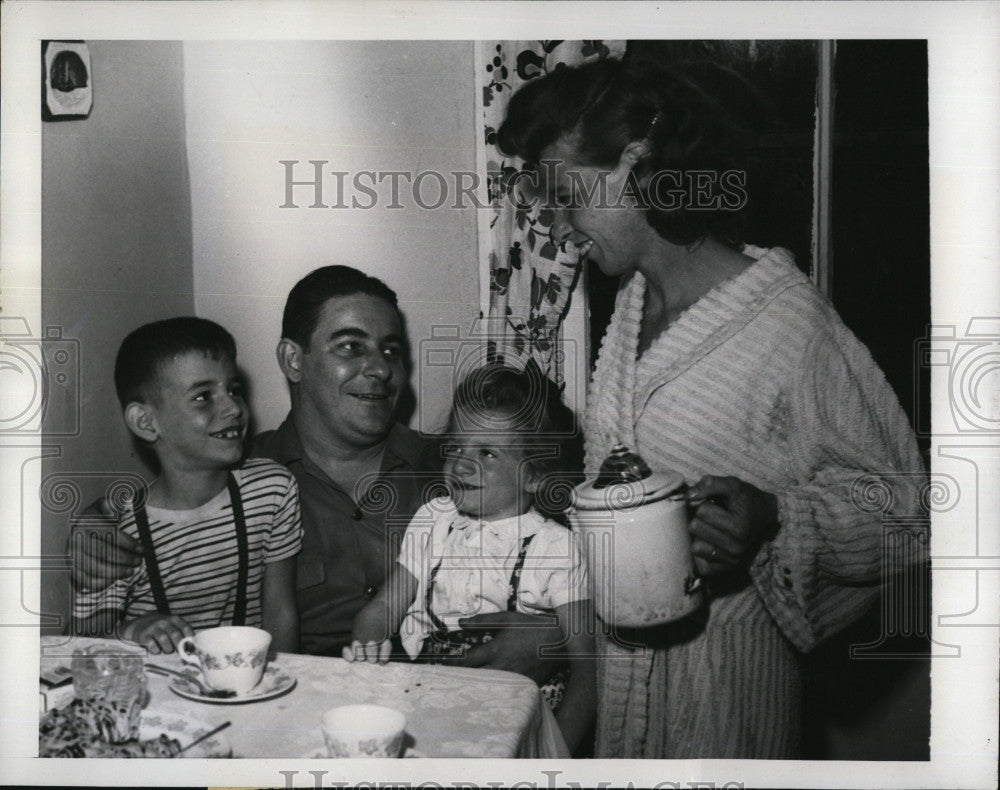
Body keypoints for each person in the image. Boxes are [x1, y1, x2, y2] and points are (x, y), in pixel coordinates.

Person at [496, 57, 927, 758]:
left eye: (565, 194)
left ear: (634, 162)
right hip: (623, 695)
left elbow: (903, 511)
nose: (558, 224)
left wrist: (776, 517)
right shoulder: (631, 310)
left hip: (730, 699)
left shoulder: (789, 325)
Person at [69, 267, 565, 679]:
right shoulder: (246, 481)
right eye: (351, 347)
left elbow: (578, 561)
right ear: (293, 360)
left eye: (391, 351)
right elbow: (163, 505)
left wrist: (556, 635)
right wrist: (92, 526)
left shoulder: (458, 468)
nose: (381, 370)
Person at [343, 363, 594, 754]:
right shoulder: (434, 518)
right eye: (457, 446)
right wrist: (370, 647)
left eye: (487, 452)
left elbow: (588, 671)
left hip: (517, 727)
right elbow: (382, 608)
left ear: (534, 476)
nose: (461, 464)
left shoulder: (556, 548)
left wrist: (550, 758)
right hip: (428, 705)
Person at [71, 317, 302, 654]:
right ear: (146, 422)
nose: (233, 407)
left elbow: (280, 614)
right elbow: (77, 645)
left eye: (233, 389)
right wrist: (130, 631)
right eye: (203, 397)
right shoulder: (117, 534)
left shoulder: (272, 490)